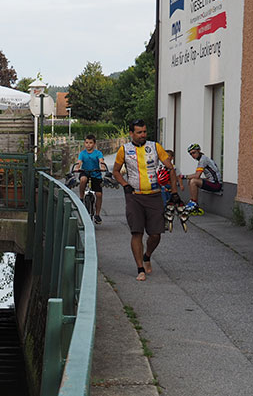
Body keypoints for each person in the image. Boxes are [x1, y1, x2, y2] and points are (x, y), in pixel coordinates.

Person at [111, 120, 180, 281]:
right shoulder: (124, 150)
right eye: (139, 132)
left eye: (144, 132)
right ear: (131, 134)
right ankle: (140, 268)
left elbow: (170, 169)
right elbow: (115, 171)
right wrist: (124, 184)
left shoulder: (155, 147)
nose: (143, 135)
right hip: (134, 196)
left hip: (154, 195)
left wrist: (174, 193)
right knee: (137, 232)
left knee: (155, 234)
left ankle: (147, 255)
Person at [73, 134, 105, 224]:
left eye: (90, 143)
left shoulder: (98, 153)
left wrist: (102, 166)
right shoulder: (82, 153)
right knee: (83, 180)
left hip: (96, 174)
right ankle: (81, 197)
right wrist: (77, 167)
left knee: (99, 195)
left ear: (94, 144)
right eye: (86, 143)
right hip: (85, 172)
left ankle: (97, 215)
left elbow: (101, 161)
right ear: (84, 143)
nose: (88, 145)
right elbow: (79, 162)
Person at [181, 143, 222, 213]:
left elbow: (197, 175)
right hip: (212, 182)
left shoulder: (203, 160)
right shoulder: (202, 159)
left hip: (216, 184)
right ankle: (192, 201)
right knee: (191, 180)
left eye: (194, 152)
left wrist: (183, 176)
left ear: (199, 150)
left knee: (193, 181)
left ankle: (194, 204)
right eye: (191, 154)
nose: (192, 155)